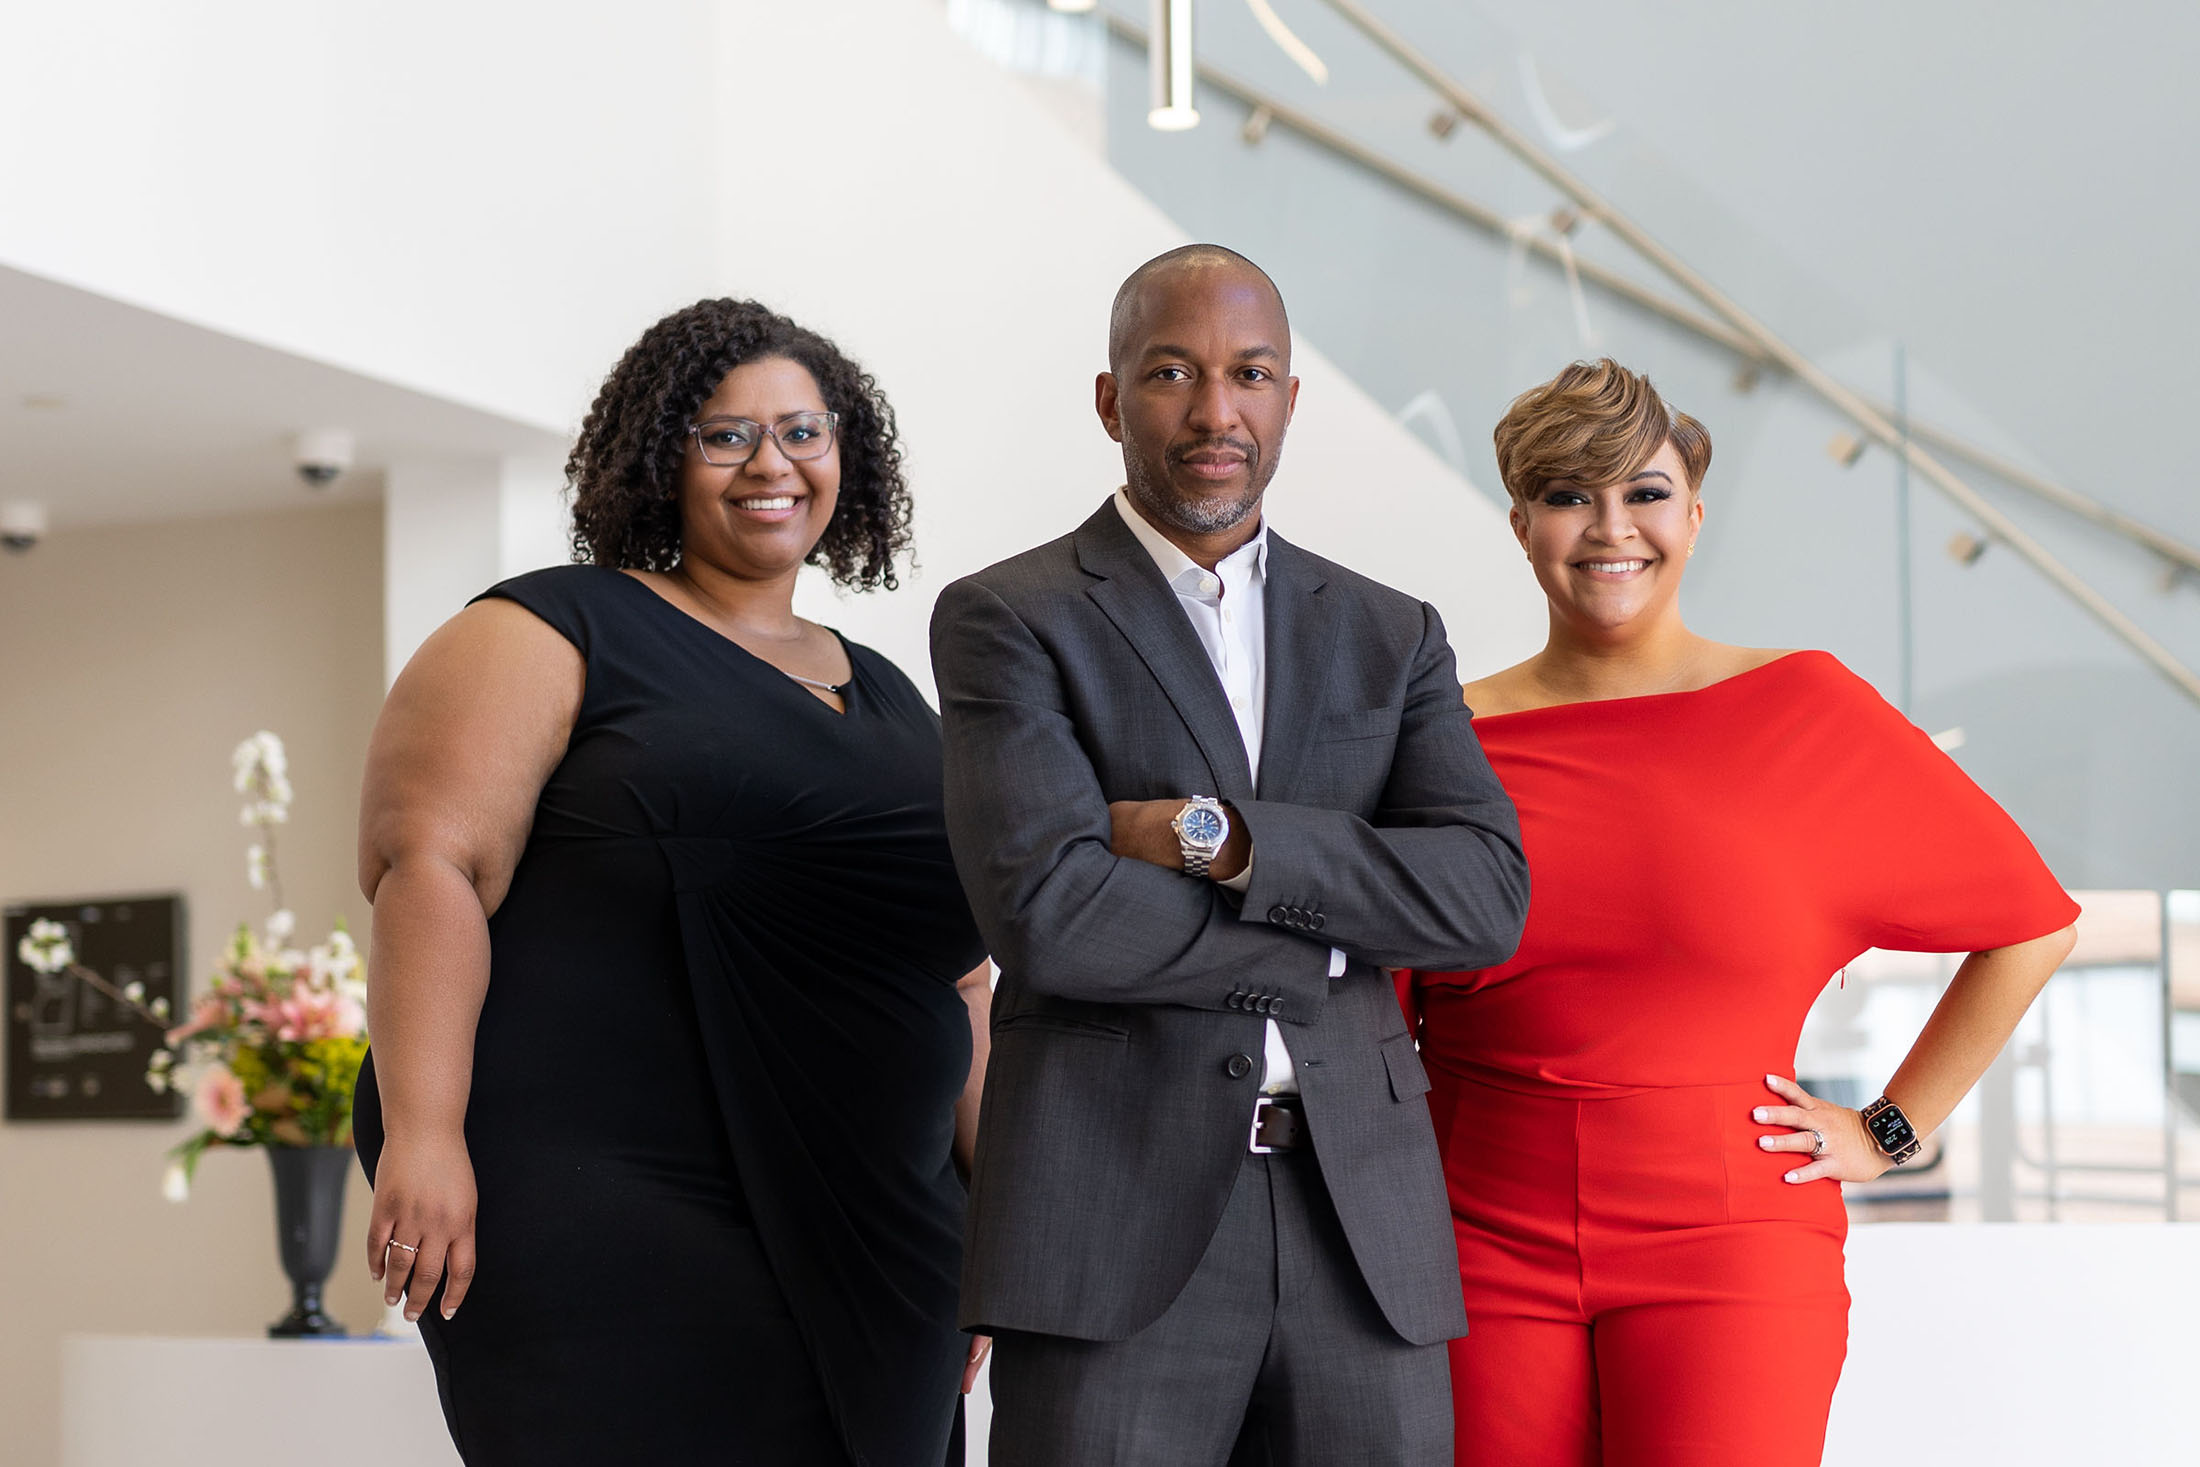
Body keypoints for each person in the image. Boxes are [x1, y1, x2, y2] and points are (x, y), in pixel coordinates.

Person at [350, 298, 992, 1467]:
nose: (773, 465)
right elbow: (427, 866)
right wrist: (423, 1133)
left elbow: (957, 978)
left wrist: (1002, 1219)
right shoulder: (555, 626)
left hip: (877, 1209)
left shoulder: (898, 697)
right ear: (658, 458)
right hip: (604, 1186)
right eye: (723, 435)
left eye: (804, 431)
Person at [1403, 358, 2080, 1467]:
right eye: (1571, 495)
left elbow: (2030, 924)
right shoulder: (1433, 739)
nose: (1610, 527)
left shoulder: (1803, 712)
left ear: (1695, 513)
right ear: (1521, 521)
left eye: (1645, 493)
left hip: (1731, 1249)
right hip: (1468, 1240)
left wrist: (1889, 1132)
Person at [930, 244, 1530, 1466]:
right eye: (1171, 373)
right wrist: (1331, 936)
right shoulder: (1012, 617)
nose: (1215, 411)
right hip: (1110, 1228)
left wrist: (1221, 840)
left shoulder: (1389, 632)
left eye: (1249, 374)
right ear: (1110, 400)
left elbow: (1482, 897)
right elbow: (1048, 912)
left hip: (1359, 1232)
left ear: (1291, 400)